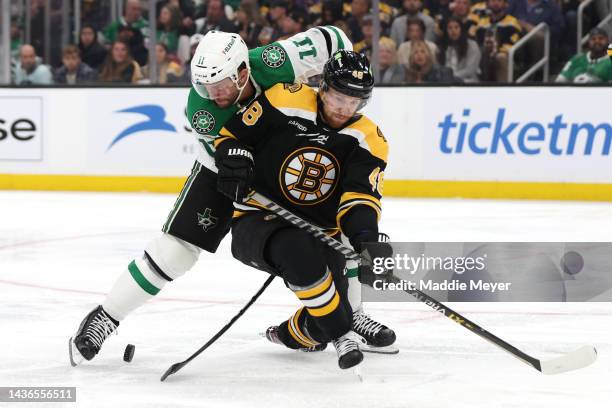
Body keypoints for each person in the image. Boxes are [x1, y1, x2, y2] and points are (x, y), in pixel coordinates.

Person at [69, 26, 395, 365]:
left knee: (349, 226)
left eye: (222, 83)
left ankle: (353, 314)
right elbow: (229, 148)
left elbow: (335, 40)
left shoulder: (274, 62)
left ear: (243, 70)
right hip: (225, 166)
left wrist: (342, 77)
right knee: (176, 250)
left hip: (294, 156)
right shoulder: (203, 110)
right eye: (206, 86)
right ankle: (105, 317)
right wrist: (237, 166)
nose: (214, 93)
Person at [214, 50, 392, 368]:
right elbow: (234, 136)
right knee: (298, 252)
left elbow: (359, 197)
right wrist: (234, 158)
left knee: (323, 318)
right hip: (259, 218)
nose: (343, 108)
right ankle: (344, 330)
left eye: (354, 101)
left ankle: (288, 333)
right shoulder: (284, 99)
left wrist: (367, 239)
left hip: (320, 234)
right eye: (339, 97)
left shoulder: (368, 139)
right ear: (323, 87)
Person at [470, 0, 522, 82]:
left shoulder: (512, 22)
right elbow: (475, 42)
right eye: (493, 1)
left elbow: (513, 44)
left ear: (505, 4)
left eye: (499, 1)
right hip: (483, 56)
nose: (496, 3)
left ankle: (503, 91)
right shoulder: (481, 23)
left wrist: (494, 51)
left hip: (504, 57)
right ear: (487, 4)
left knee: (500, 57)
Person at [438, 17, 481, 82]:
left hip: (467, 82)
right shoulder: (444, 47)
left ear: (461, 29)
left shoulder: (472, 45)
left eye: (456, 27)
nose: (453, 31)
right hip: (447, 83)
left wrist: (451, 77)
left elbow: (470, 70)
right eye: (450, 28)